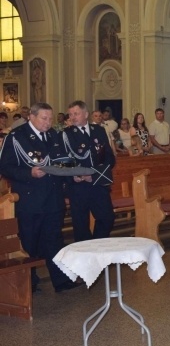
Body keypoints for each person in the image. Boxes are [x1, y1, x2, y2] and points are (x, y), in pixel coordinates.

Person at [0, 102, 82, 293]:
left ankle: (61, 280)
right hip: (30, 199)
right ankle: (29, 283)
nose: (48, 122)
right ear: (32, 117)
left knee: (54, 240)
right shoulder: (17, 137)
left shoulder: (53, 135)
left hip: (53, 198)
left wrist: (74, 173)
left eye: (50, 118)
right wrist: (29, 173)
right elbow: (5, 167)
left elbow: (62, 161)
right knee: (30, 241)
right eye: (44, 118)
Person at [62, 100, 116, 242]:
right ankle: (85, 257)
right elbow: (62, 159)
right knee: (80, 226)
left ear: (85, 114)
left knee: (107, 218)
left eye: (76, 113)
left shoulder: (98, 130)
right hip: (78, 187)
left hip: (97, 183)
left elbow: (109, 158)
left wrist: (94, 174)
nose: (73, 117)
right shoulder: (65, 134)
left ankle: (96, 246)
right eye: (70, 114)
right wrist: (76, 174)